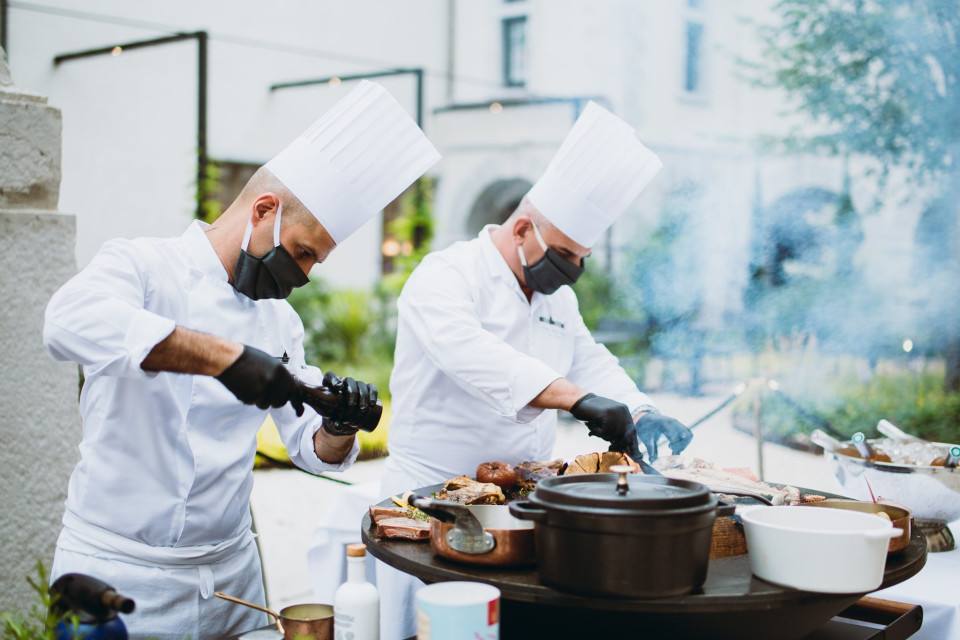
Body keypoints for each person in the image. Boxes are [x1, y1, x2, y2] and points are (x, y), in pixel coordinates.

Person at [42, 80, 440, 640]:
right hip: (118, 573)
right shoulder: (144, 268)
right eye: (302, 251)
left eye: (315, 263)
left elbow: (312, 451)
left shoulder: (280, 322)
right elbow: (64, 322)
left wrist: (338, 425)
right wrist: (224, 358)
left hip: (232, 579)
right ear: (263, 210)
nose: (302, 274)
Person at [377, 101, 694, 639]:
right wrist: (575, 399)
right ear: (523, 228)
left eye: (583, 256)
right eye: (567, 253)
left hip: (524, 502)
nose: (574, 269)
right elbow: (466, 351)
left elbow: (590, 358)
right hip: (432, 499)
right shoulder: (447, 274)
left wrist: (642, 409)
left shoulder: (556, 300)